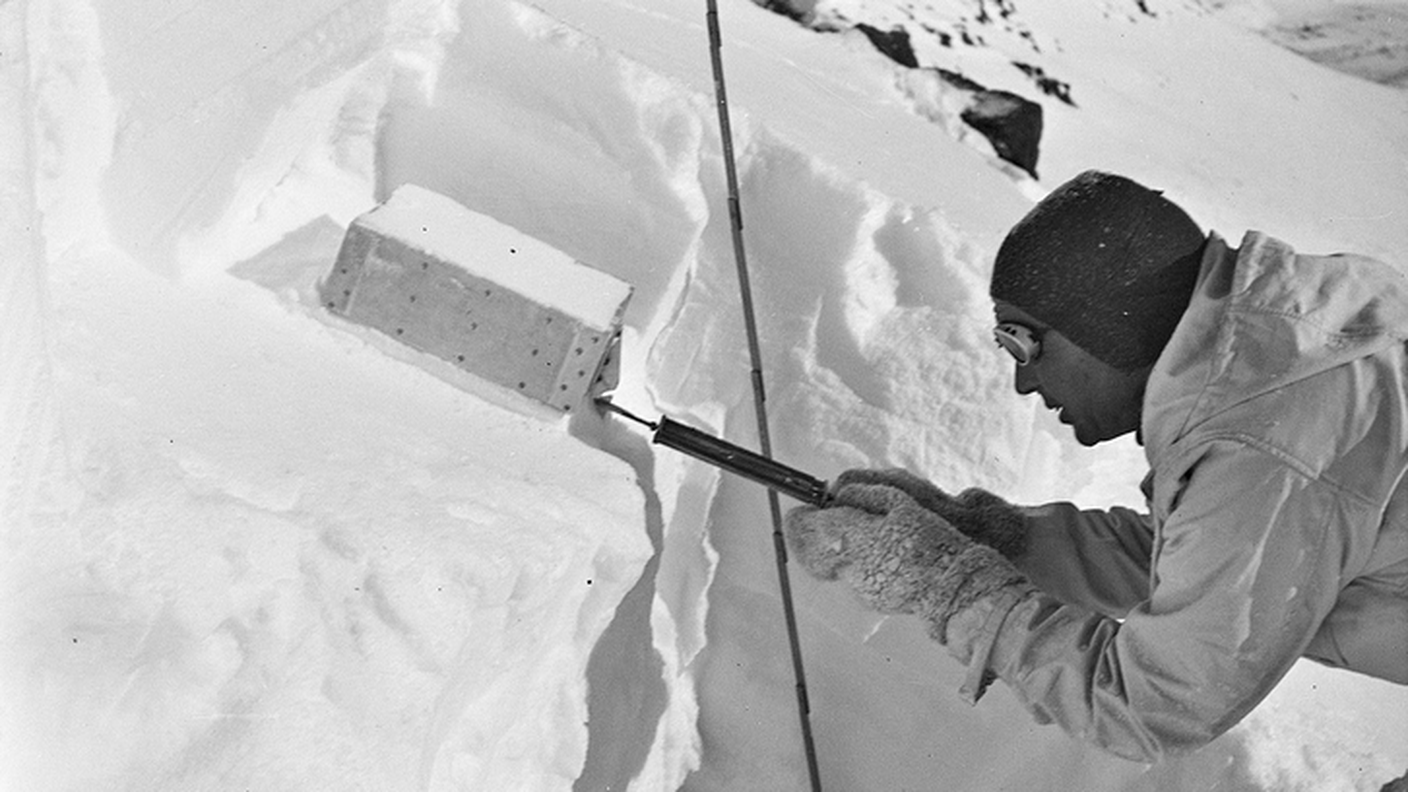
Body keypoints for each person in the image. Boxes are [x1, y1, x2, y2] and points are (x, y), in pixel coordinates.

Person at [784, 170, 1408, 763]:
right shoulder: (1280, 360)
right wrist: (994, 538)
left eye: (1020, 341)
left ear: (1107, 321)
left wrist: (944, 584)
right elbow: (1200, 554)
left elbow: (1152, 705)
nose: (1023, 381)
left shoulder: (1263, 440)